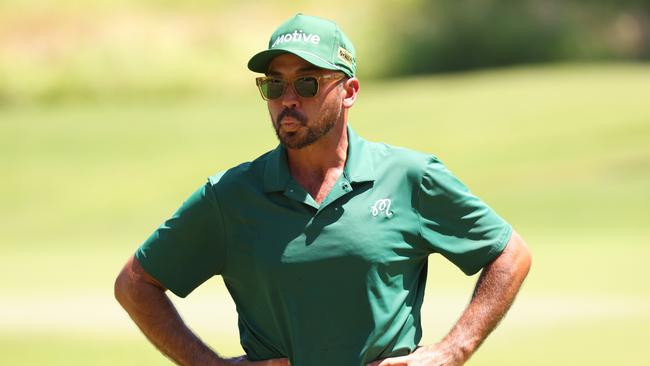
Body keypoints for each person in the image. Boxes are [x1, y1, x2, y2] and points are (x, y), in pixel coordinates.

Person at [114, 13, 532, 366]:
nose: (287, 99)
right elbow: (135, 284)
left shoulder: (409, 177)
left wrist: (452, 351)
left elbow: (510, 255)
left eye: (307, 83)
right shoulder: (231, 196)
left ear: (349, 92)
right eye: (274, 85)